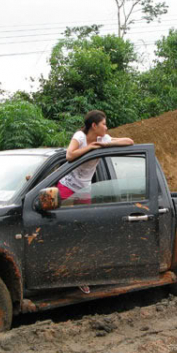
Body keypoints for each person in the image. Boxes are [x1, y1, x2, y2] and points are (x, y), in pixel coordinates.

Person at [57, 110, 133, 292]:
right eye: (104, 124)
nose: (106, 127)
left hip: (85, 189)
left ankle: (81, 275)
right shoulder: (80, 137)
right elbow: (69, 155)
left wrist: (107, 144)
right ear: (94, 125)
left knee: (83, 231)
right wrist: (90, 149)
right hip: (68, 185)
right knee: (56, 223)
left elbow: (129, 142)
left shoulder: (103, 138)